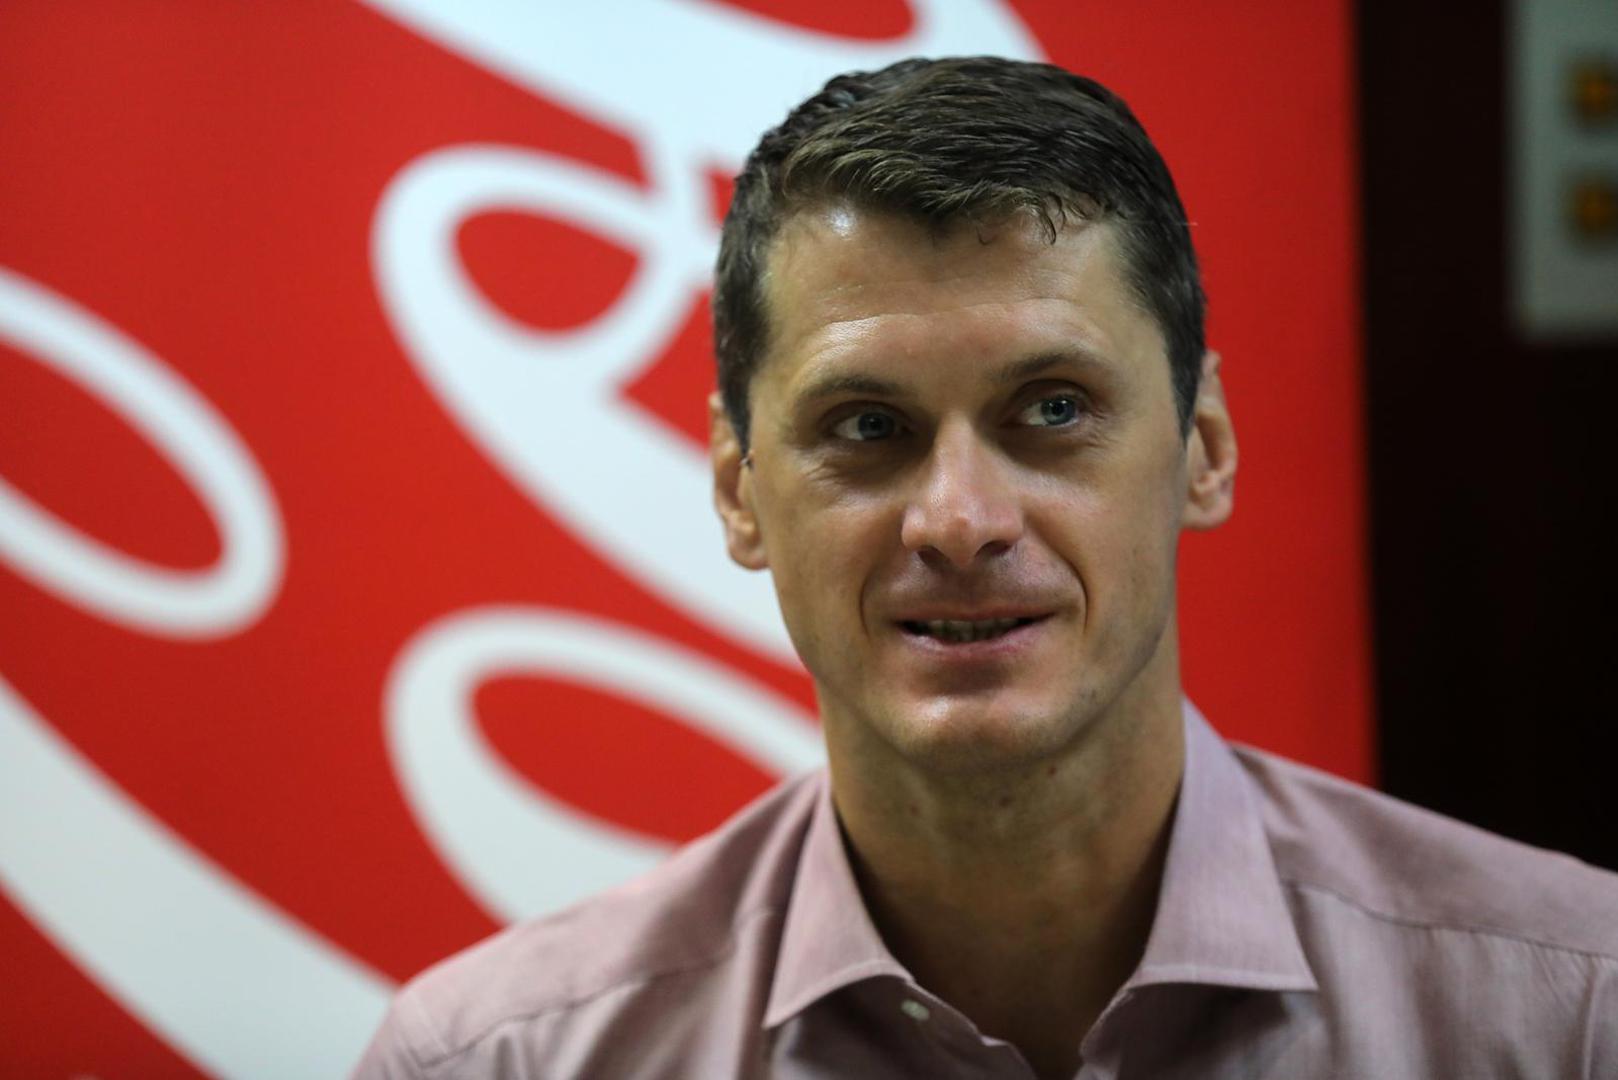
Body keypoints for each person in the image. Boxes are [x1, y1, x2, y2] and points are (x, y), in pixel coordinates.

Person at [355, 57, 1617, 1079]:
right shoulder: (497, 1061)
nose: (959, 520)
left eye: (1053, 409)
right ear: (740, 491)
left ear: (1203, 448)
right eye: (867, 426)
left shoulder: (1571, 1013)